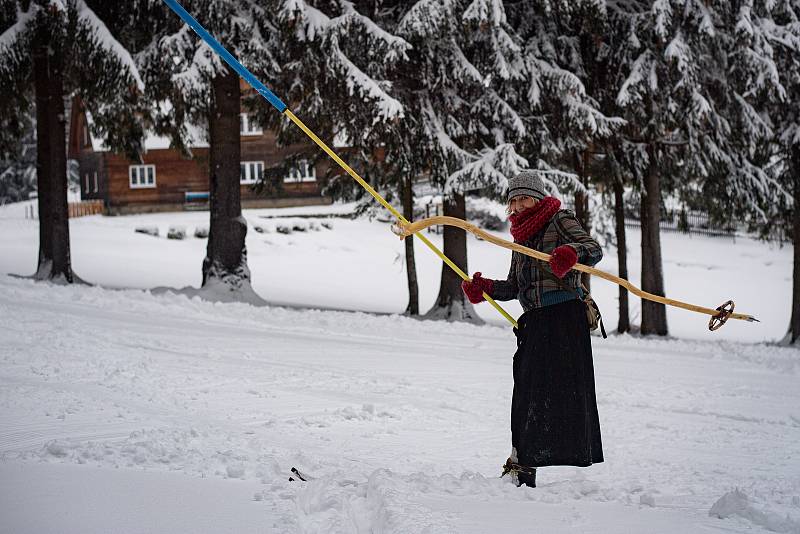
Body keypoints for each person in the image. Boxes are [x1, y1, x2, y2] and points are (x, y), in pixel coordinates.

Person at [461, 171, 604, 488]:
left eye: (523, 198)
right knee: (525, 396)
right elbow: (514, 286)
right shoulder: (521, 237)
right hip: (536, 321)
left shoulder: (559, 219)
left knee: (562, 397)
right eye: (512, 200)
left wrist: (571, 254)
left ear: (537, 198)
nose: (517, 205)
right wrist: (484, 289)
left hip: (565, 318)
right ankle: (521, 466)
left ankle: (526, 467)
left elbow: (592, 248)